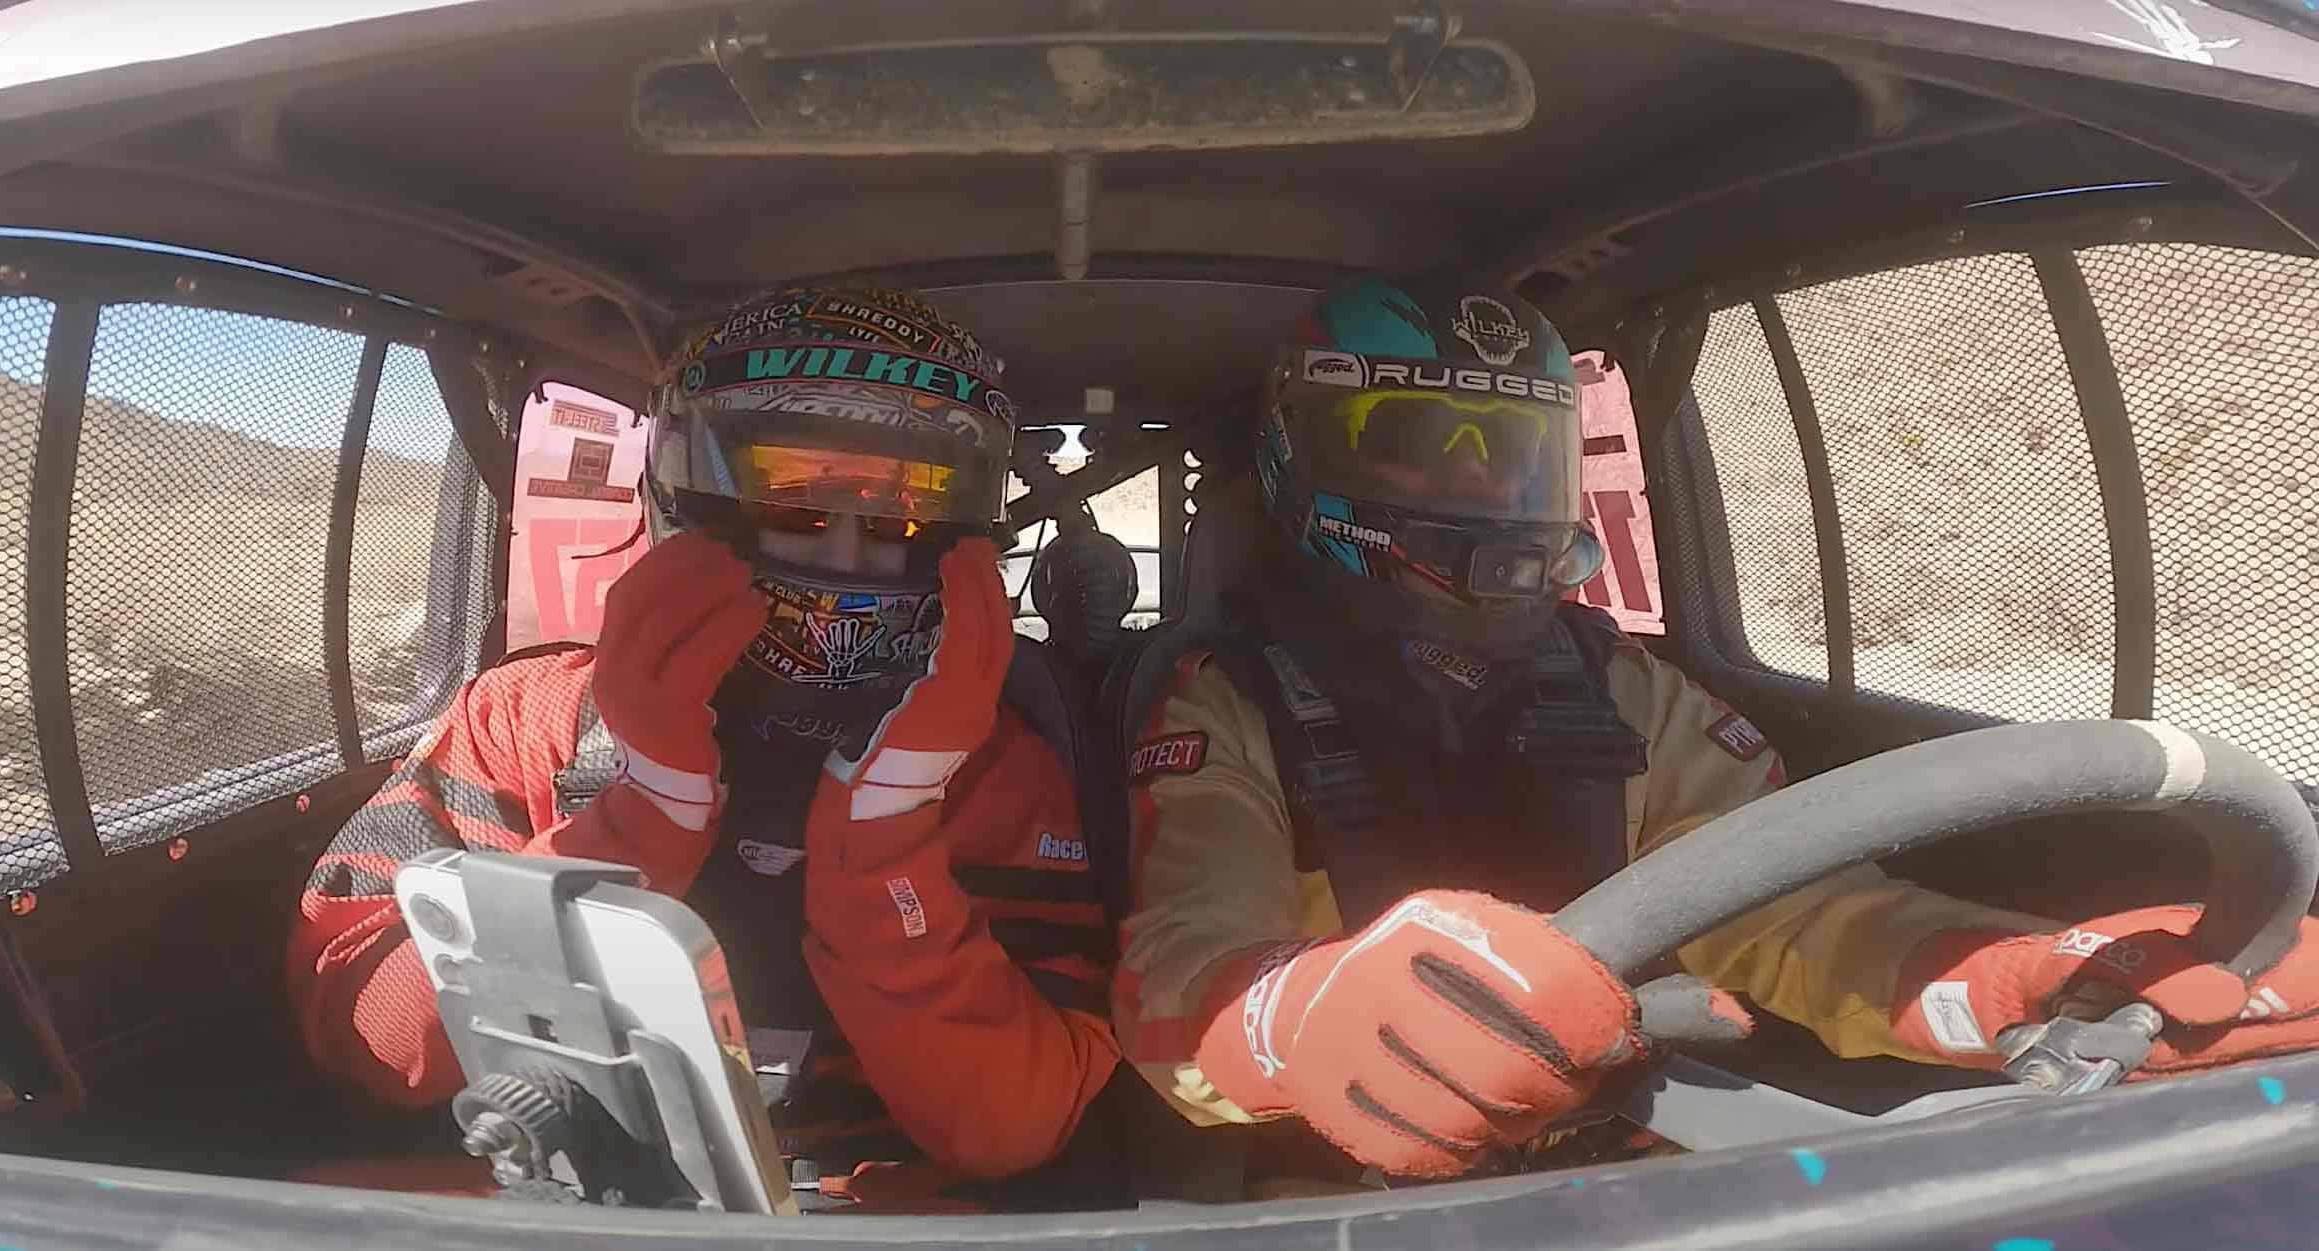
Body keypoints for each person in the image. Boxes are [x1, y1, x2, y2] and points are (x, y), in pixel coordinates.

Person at [1113, 274, 2319, 1183]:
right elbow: (1178, 966)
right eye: (1427, 448)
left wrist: (2023, 983)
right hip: (1327, 1175)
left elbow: (1802, 917)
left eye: (1511, 453)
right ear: (1300, 460)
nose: (1479, 489)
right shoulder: (1226, 694)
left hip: (1615, 1146)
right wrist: (1306, 1014)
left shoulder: (1624, 688)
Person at [288, 287, 1121, 1210]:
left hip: (875, 1211)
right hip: (566, 1191)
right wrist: (637, 819)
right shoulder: (529, 714)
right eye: (794, 497)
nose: (847, 553)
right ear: (690, 496)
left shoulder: (995, 768)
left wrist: (888, 829)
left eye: (901, 508)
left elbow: (1015, 1125)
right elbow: (364, 1036)